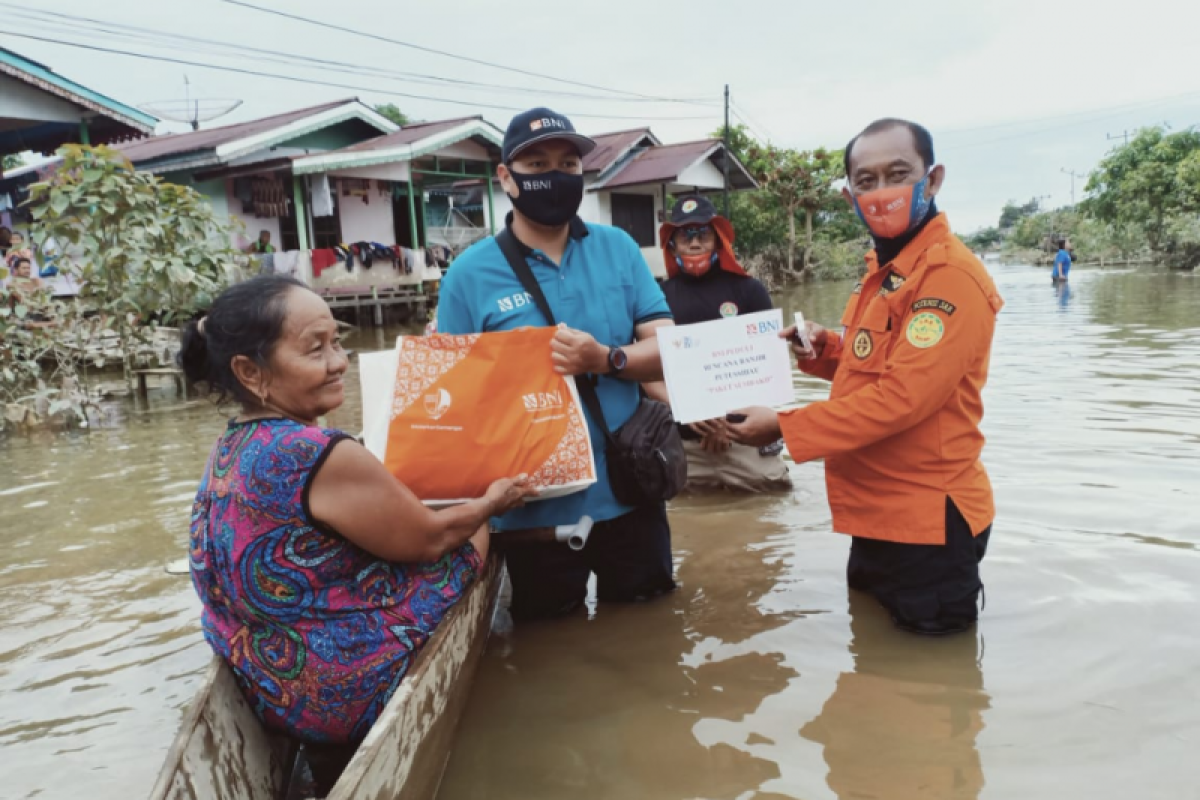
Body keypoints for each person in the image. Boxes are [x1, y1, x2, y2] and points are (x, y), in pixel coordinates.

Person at [178, 275, 534, 791]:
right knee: (472, 535)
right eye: (314, 349)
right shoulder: (318, 451)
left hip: (270, 683)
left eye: (336, 342)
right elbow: (432, 538)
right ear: (250, 372)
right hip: (338, 693)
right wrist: (491, 501)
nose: (339, 361)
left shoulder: (230, 445)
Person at [727, 118, 1004, 636]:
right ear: (848, 191)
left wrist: (784, 427)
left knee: (930, 692)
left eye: (897, 174)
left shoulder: (949, 276)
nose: (880, 193)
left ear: (933, 178)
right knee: (873, 675)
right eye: (865, 180)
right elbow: (872, 364)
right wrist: (823, 347)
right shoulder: (883, 270)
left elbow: (903, 398)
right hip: (876, 517)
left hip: (928, 522)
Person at [436, 107, 677, 621]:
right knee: (546, 642)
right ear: (505, 178)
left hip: (631, 493)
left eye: (569, 164)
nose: (556, 174)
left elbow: (670, 349)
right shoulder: (468, 274)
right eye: (538, 163)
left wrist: (605, 358)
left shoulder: (619, 249)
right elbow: (451, 398)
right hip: (532, 510)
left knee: (652, 634)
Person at [644, 194, 791, 493]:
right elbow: (647, 372)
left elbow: (768, 366)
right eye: (685, 236)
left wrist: (727, 422)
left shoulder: (750, 291)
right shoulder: (655, 297)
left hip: (744, 437)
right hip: (683, 441)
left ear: (718, 239)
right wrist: (694, 413)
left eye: (702, 234)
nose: (695, 243)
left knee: (774, 499)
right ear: (671, 244)